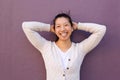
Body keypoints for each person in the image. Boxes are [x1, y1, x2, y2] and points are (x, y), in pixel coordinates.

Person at [22, 13, 106, 80]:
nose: (62, 29)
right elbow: (26, 26)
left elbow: (101, 29)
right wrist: (49, 28)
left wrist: (78, 26)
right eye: (58, 26)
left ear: (71, 27)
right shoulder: (46, 47)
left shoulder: (80, 49)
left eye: (66, 25)